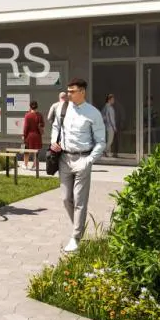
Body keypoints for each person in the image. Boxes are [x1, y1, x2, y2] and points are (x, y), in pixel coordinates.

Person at [49, 78, 105, 253]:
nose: (68, 94)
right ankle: (78, 227)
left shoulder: (93, 113)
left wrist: (88, 161)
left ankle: (76, 237)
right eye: (68, 91)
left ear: (82, 92)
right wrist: (53, 141)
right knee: (66, 198)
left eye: (72, 91)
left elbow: (101, 141)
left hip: (83, 158)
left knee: (80, 200)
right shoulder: (62, 108)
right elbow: (56, 127)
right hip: (64, 158)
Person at [22, 100, 44, 170]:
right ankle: (34, 165)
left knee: (26, 150)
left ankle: (25, 165)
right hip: (37, 135)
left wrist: (24, 135)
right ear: (37, 106)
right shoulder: (40, 115)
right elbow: (43, 124)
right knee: (36, 151)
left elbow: (26, 127)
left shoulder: (27, 115)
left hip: (29, 136)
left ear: (30, 106)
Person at [101, 93, 117, 158]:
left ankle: (108, 153)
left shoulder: (105, 107)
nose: (114, 101)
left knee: (108, 140)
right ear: (109, 100)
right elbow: (111, 118)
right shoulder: (109, 108)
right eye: (113, 99)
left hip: (106, 126)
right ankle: (103, 151)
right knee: (110, 140)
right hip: (110, 127)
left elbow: (103, 117)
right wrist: (114, 127)